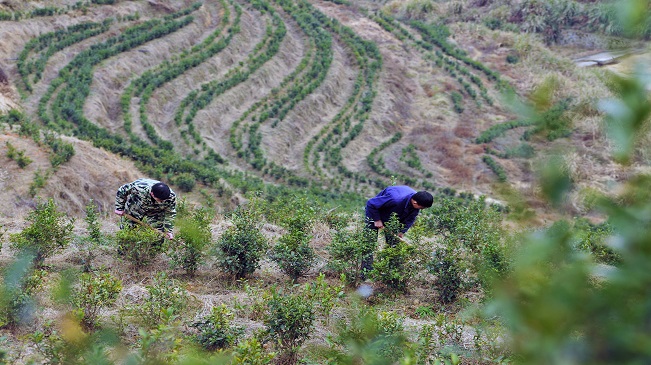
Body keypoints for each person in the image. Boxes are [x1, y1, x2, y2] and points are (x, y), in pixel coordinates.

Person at [362, 186, 433, 274]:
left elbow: (410, 218)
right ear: (414, 202)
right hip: (375, 212)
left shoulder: (416, 204)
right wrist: (377, 220)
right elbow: (371, 203)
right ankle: (366, 272)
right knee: (369, 243)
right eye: (422, 208)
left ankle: (391, 272)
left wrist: (401, 231)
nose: (421, 210)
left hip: (393, 218)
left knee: (393, 245)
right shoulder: (395, 199)